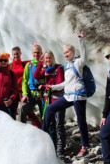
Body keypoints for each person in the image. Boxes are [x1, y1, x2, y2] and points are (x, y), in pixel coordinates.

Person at [42, 31, 89, 159]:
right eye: (64, 53)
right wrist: (52, 87)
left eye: (68, 52)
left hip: (79, 95)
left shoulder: (78, 62)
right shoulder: (67, 66)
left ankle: (85, 147)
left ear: (73, 52)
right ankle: (42, 133)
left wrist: (81, 40)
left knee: (81, 121)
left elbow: (85, 56)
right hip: (68, 96)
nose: (66, 54)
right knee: (50, 109)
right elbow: (65, 83)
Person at [34, 50, 66, 159]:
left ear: (53, 58)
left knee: (59, 125)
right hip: (48, 100)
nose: (48, 60)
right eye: (46, 58)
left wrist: (46, 87)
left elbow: (60, 84)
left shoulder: (58, 69)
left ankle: (60, 150)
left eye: (49, 58)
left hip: (58, 100)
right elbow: (36, 76)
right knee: (51, 124)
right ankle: (53, 147)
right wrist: (39, 63)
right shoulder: (46, 70)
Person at [20, 43, 44, 128]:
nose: (36, 54)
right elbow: (24, 80)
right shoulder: (29, 65)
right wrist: (25, 94)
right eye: (34, 52)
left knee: (44, 116)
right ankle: (22, 129)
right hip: (32, 94)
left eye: (38, 52)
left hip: (42, 94)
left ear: (41, 53)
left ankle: (46, 133)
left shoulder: (44, 65)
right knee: (23, 109)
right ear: (32, 53)